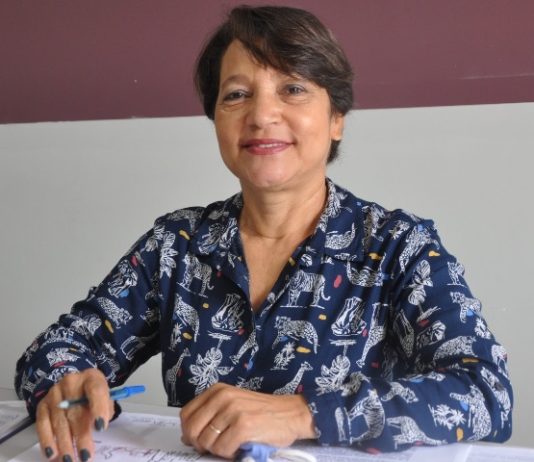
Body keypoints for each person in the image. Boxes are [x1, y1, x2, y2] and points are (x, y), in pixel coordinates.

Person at [15, 5, 512, 462]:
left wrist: (302, 414)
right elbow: (56, 348)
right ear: (216, 120)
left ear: (337, 119)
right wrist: (65, 381)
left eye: (292, 89)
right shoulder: (177, 244)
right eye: (236, 95)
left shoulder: (398, 246)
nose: (261, 115)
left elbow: (486, 393)